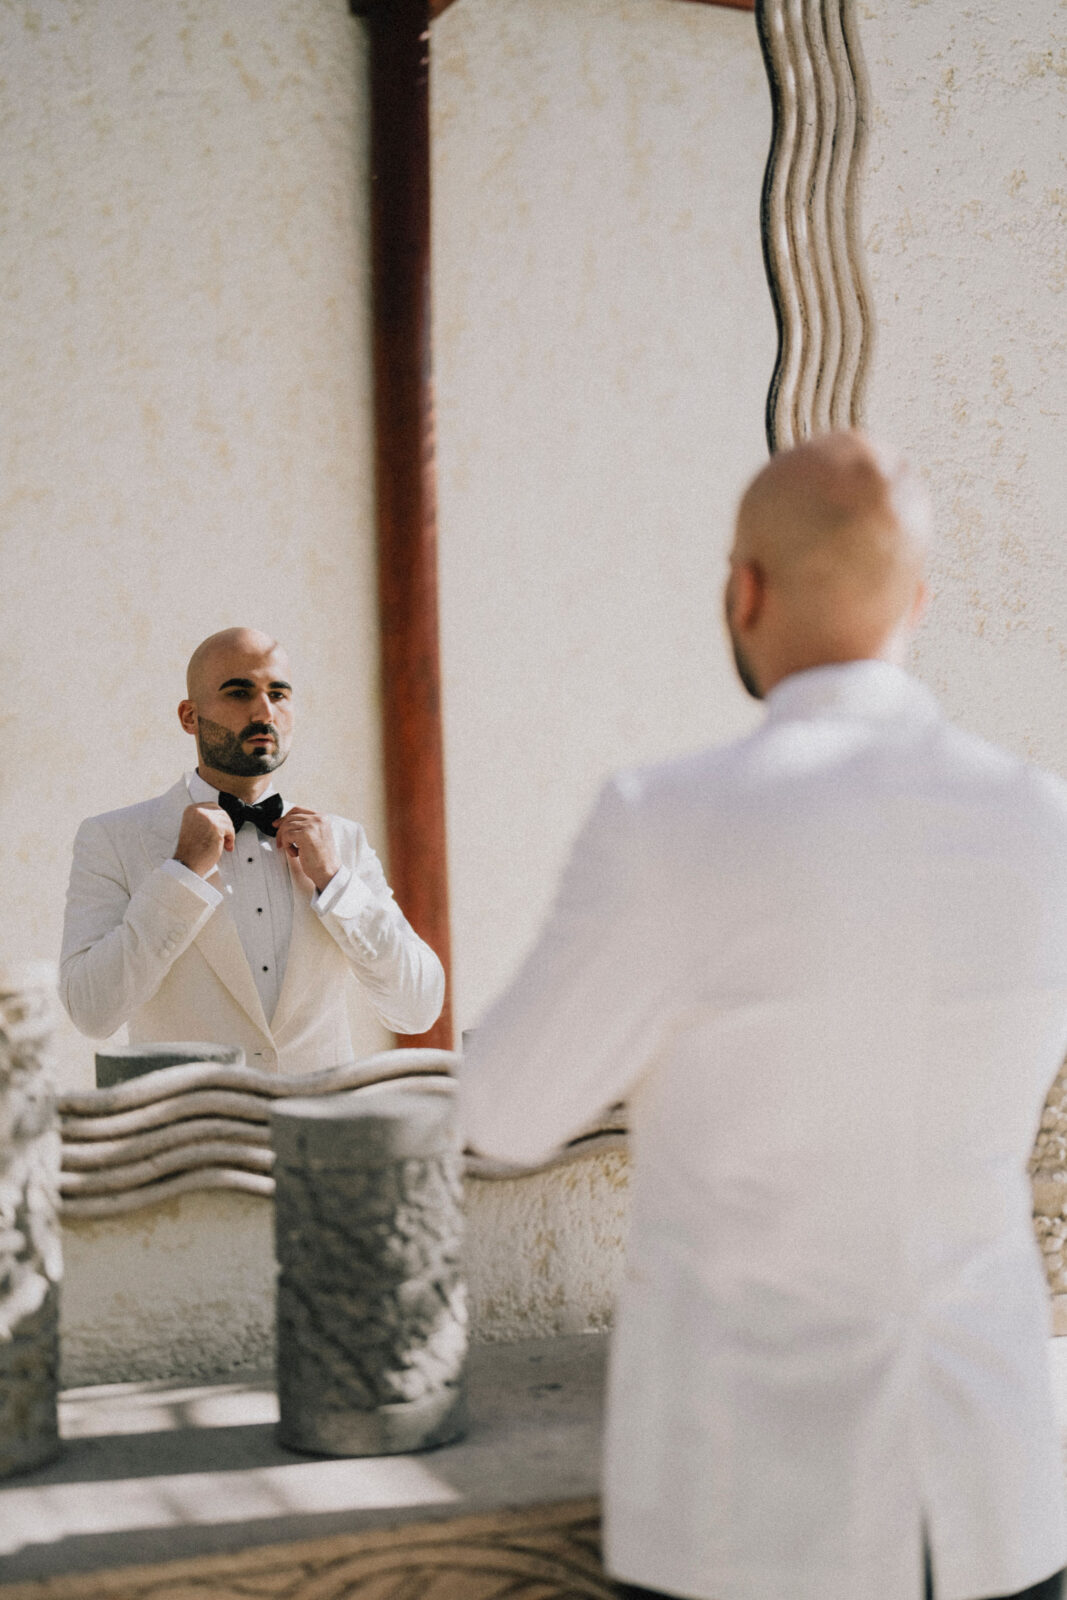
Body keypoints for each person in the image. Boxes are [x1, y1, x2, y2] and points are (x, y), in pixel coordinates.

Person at [460, 432, 1067, 1600]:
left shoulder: (667, 821)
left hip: (752, 1507)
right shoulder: (1043, 823)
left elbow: (507, 1109)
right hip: (994, 1488)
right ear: (917, 603)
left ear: (743, 589)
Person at [60, 627, 444, 1072]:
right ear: (190, 716)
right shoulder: (113, 838)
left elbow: (418, 1007)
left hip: (322, 1131)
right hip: (191, 1133)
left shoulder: (342, 840)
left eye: (278, 694)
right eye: (239, 692)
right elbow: (90, 1011)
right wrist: (180, 874)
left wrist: (337, 884)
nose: (264, 710)